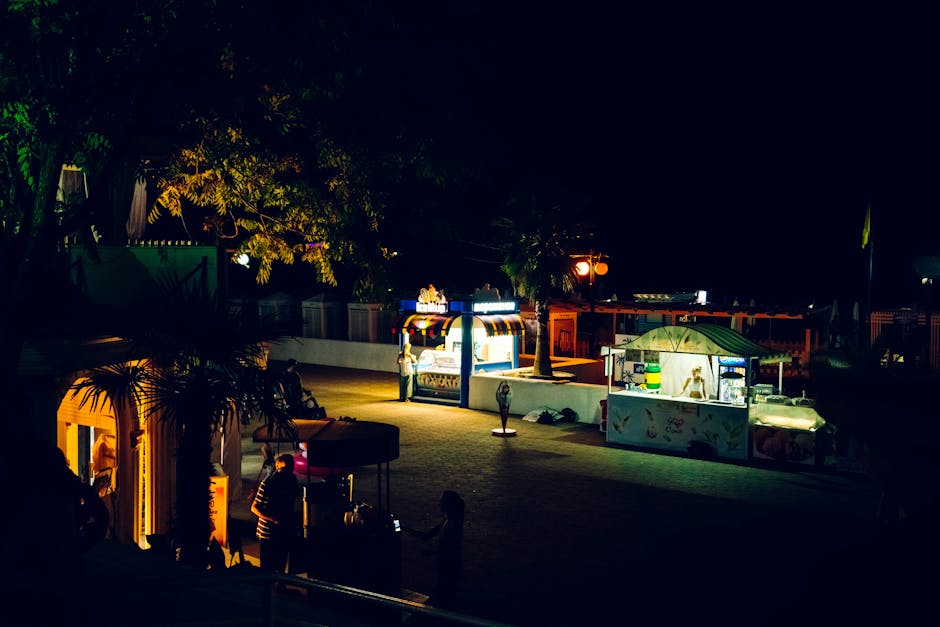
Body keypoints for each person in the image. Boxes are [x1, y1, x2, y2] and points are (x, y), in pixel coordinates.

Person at [403, 490, 465, 610]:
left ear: (448, 504)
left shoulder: (452, 525)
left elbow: (449, 549)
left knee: (444, 598)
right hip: (448, 565)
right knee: (445, 597)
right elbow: (426, 535)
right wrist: (405, 528)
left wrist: (430, 552)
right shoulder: (448, 520)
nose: (438, 504)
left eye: (441, 501)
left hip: (450, 566)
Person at [251, 453, 300, 576]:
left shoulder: (292, 481)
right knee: (267, 566)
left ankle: (279, 586)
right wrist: (271, 518)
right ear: (277, 467)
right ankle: (267, 591)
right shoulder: (267, 483)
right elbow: (254, 507)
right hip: (267, 531)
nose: (287, 471)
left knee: (281, 560)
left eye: (289, 467)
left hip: (284, 527)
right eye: (283, 468)